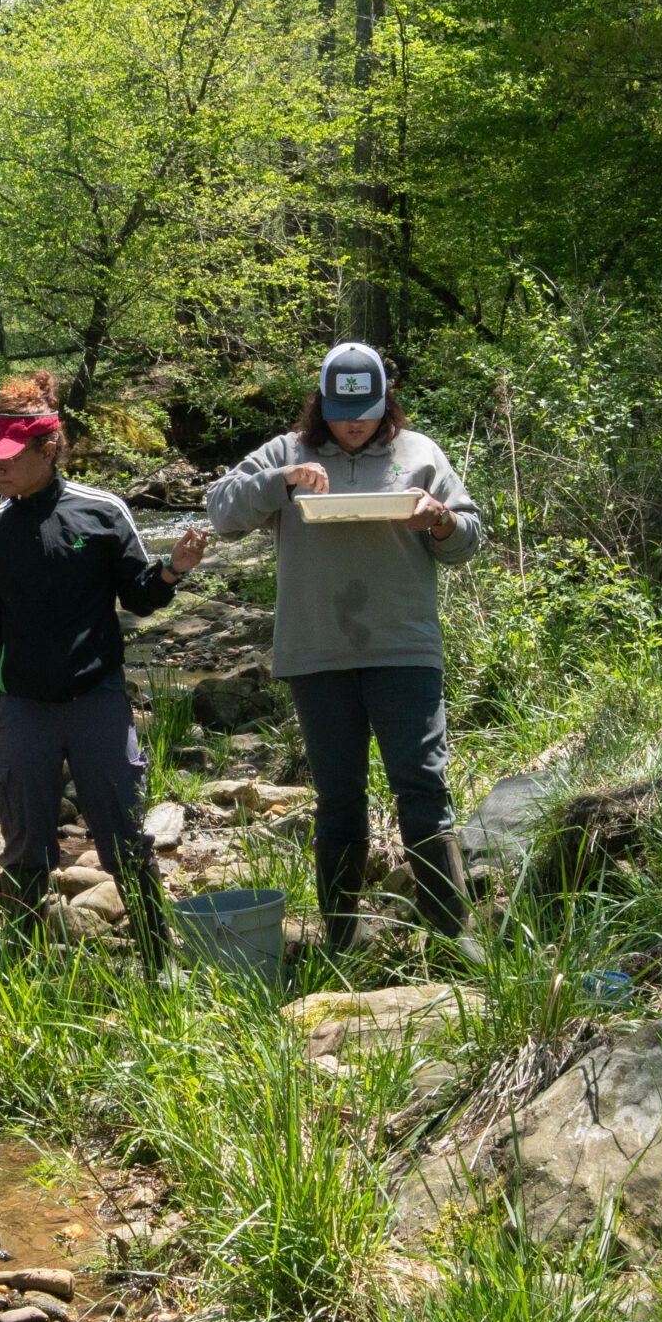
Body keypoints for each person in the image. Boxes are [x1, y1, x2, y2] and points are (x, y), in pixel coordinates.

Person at [204, 342, 483, 951]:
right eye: (339, 410)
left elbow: (467, 538)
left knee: (422, 782)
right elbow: (220, 511)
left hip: (404, 646)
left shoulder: (419, 454)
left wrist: (439, 520)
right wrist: (282, 481)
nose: (353, 422)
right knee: (338, 793)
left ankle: (454, 934)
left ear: (386, 403)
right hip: (316, 651)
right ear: (320, 404)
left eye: (366, 409)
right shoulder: (289, 450)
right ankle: (341, 939)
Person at [0, 371, 205, 942]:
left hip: (97, 703)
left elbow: (140, 595)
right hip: (22, 712)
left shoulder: (102, 511)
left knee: (123, 836)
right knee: (23, 850)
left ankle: (155, 953)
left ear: (47, 448)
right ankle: (26, 965)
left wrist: (173, 570)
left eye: (6, 458)